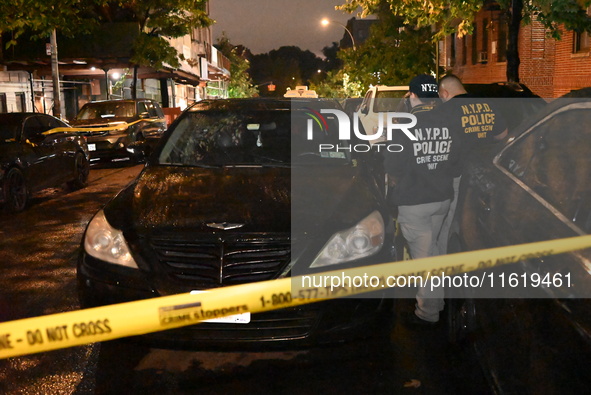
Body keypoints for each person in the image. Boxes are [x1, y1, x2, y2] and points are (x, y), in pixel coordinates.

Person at [383, 74, 458, 325]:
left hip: (415, 202)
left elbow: (392, 165)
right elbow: (455, 160)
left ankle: (427, 314)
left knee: (424, 260)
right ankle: (437, 304)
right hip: (442, 199)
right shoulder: (449, 121)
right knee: (433, 252)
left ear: (412, 95)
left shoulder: (404, 125)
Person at [434, 74, 508, 256]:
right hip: (489, 174)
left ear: (444, 93)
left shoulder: (446, 111)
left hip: (459, 176)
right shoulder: (487, 104)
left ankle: (443, 268)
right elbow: (502, 135)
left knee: (450, 221)